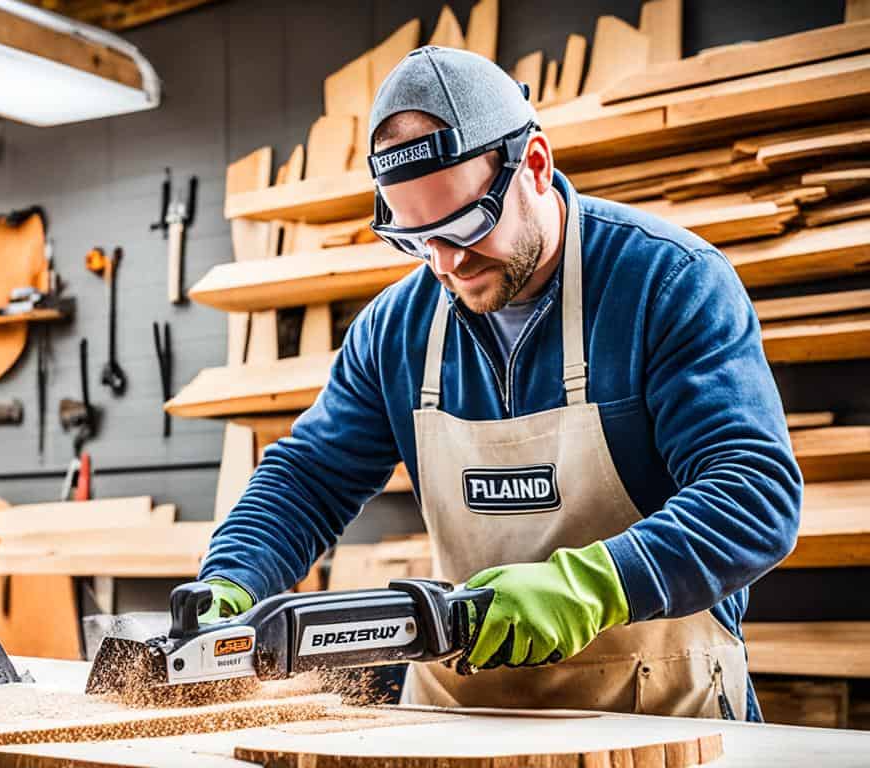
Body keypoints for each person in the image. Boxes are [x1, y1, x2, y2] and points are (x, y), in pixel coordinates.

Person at [197, 47, 800, 722]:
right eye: (418, 238)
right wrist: (233, 577)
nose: (447, 262)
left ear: (535, 166)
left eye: (464, 224)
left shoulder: (667, 283)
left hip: (658, 712)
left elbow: (755, 494)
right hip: (463, 717)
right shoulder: (395, 331)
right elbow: (308, 477)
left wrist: (589, 587)